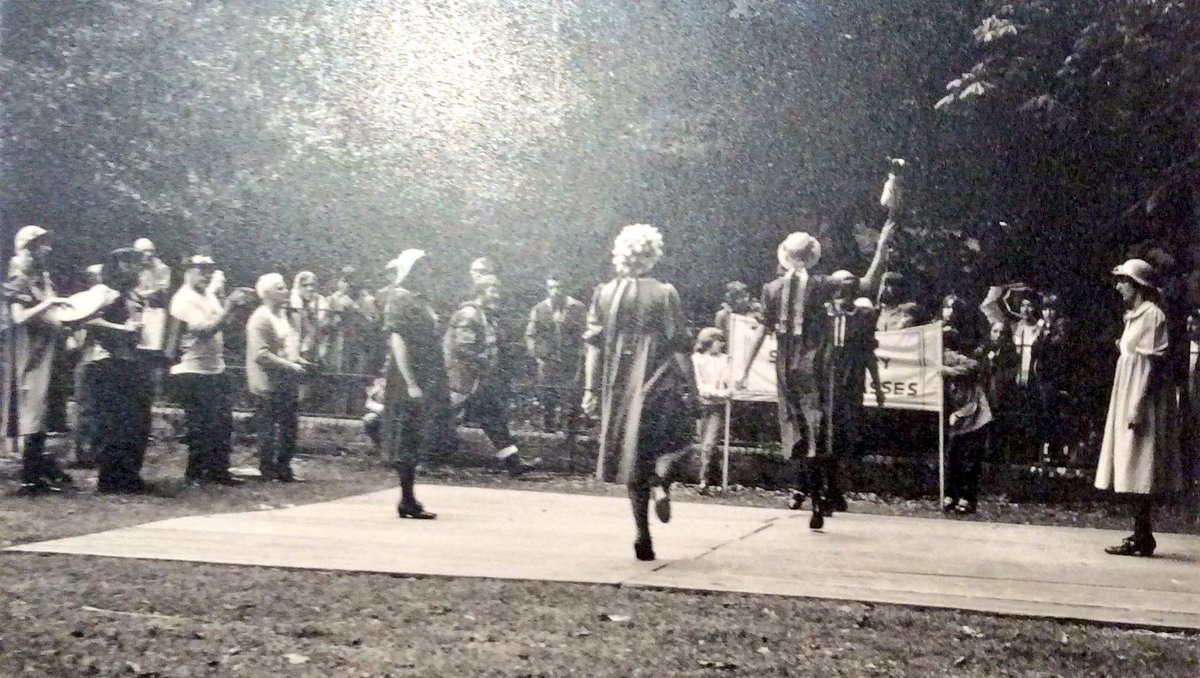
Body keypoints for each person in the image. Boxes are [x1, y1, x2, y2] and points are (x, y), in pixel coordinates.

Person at [737, 219, 896, 529]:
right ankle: (818, 499)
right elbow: (867, 283)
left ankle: (811, 493)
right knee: (817, 433)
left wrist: (744, 369)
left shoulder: (771, 289)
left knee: (798, 433)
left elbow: (760, 333)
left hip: (785, 367)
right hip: (813, 365)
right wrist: (881, 246)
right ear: (812, 257)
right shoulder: (821, 284)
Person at [582, 224, 698, 561]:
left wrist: (590, 389)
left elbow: (593, 346)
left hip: (618, 385)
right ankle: (662, 480)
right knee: (675, 442)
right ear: (652, 255)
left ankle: (642, 535)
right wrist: (694, 388)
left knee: (633, 458)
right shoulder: (664, 293)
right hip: (657, 379)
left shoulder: (603, 293)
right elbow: (679, 347)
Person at [1095, 259, 1182, 557]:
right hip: (1128, 391)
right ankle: (1140, 534)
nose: (1118, 286)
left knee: (1139, 461)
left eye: (1123, 281)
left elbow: (1152, 366)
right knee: (1130, 461)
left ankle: (1143, 536)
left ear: (1137, 285)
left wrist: (1138, 405)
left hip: (1140, 395)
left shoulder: (1152, 315)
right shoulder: (1134, 316)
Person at [380, 249, 455, 519]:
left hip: (427, 372)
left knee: (415, 435)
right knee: (406, 435)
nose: (426, 272)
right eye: (421, 268)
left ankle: (409, 498)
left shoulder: (420, 299)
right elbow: (397, 341)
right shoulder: (399, 298)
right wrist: (410, 381)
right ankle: (406, 498)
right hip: (409, 375)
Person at [2, 226, 75, 494]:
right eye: (43, 244)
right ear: (30, 248)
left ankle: (39, 473)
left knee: (42, 411)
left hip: (47, 351)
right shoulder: (19, 279)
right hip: (29, 354)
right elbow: (20, 316)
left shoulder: (42, 279)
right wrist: (49, 303)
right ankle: (29, 479)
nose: (49, 249)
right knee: (32, 409)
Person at [445, 274, 540, 475]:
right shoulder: (470, 314)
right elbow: (464, 346)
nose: (498, 295)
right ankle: (416, 456)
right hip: (465, 380)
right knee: (443, 418)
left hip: (478, 380)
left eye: (498, 290)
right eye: (493, 290)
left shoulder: (485, 315)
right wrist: (483, 366)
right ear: (481, 291)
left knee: (493, 419)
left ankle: (513, 462)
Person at [168, 255, 249, 486]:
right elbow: (203, 330)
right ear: (188, 271)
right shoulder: (184, 299)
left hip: (213, 367)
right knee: (200, 425)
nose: (206, 275)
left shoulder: (209, 295)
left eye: (210, 270)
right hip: (192, 369)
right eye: (201, 270)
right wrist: (229, 307)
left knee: (222, 423)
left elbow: (222, 323)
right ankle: (195, 473)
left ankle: (217, 470)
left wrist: (230, 306)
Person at [89, 248, 158, 493]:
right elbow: (91, 321)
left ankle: (130, 474)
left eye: (139, 265)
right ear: (118, 266)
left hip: (135, 361)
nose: (137, 269)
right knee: (114, 422)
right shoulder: (106, 293)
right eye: (130, 264)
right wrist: (123, 329)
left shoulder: (135, 295)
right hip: (112, 362)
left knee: (137, 421)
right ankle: (110, 477)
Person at [818, 271, 884, 514]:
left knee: (844, 438)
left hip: (851, 383)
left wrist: (877, 387)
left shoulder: (864, 316)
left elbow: (868, 353)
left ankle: (835, 490)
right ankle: (825, 491)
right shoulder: (822, 314)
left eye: (851, 288)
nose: (845, 292)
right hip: (825, 382)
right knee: (825, 437)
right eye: (841, 288)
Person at [246, 273, 313, 482]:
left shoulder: (285, 316)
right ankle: (267, 469)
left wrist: (299, 360)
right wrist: (291, 366)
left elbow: (288, 346)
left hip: (286, 381)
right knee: (268, 427)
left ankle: (284, 468)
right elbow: (262, 355)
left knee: (288, 426)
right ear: (267, 294)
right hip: (267, 382)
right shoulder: (260, 318)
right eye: (280, 288)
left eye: (285, 287)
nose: (286, 292)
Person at [524, 274, 587, 431]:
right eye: (552, 287)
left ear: (567, 288)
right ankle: (548, 427)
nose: (556, 291)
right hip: (547, 360)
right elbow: (531, 334)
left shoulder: (577, 308)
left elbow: (585, 333)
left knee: (571, 394)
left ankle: (570, 429)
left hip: (570, 359)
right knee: (547, 393)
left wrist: (582, 355)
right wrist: (538, 355)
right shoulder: (539, 308)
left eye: (560, 287)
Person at [941, 349, 993, 514]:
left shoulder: (953, 360)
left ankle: (966, 498)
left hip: (976, 419)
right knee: (953, 459)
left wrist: (949, 370)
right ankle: (951, 495)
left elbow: (974, 366)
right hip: (958, 424)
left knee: (970, 462)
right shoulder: (945, 382)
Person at [67, 264, 109, 469]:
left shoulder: (100, 297)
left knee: (91, 408)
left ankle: (91, 452)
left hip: (96, 358)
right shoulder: (86, 299)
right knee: (87, 408)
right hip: (89, 358)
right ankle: (83, 453)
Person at [1031, 293, 1073, 463]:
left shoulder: (1061, 325)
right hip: (1043, 375)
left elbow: (1058, 346)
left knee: (1053, 412)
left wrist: (1046, 333)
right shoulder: (1042, 327)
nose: (1048, 313)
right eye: (1045, 309)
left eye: (1051, 309)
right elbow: (1035, 350)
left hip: (1055, 376)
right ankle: (1045, 448)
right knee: (1044, 412)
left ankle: (1055, 450)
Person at [692, 327, 730, 492]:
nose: (721, 344)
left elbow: (729, 385)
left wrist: (721, 394)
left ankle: (704, 480)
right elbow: (699, 386)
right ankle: (711, 476)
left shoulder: (725, 360)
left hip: (716, 408)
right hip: (700, 405)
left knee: (709, 443)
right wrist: (719, 393)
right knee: (702, 443)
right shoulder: (697, 359)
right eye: (718, 340)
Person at [325, 266, 378, 375]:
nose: (348, 284)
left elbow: (373, 324)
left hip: (361, 344)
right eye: (344, 280)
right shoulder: (332, 299)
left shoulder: (368, 300)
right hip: (339, 344)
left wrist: (356, 309)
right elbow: (327, 325)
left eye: (351, 280)